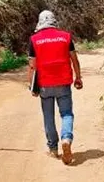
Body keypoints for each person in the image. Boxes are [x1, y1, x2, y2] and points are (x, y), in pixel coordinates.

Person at [27, 10, 82, 165]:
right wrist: (78, 78)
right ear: (54, 21)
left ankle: (53, 148)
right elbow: (74, 60)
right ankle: (66, 138)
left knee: (48, 116)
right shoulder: (66, 37)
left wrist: (31, 85)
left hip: (45, 84)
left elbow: (32, 66)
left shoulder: (34, 39)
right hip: (63, 82)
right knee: (66, 114)